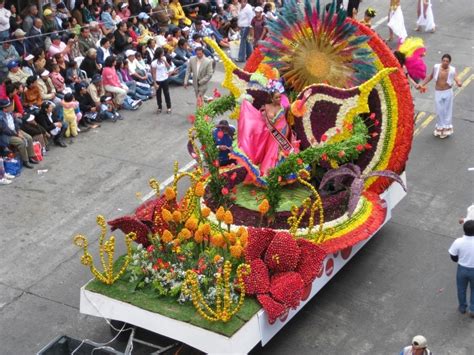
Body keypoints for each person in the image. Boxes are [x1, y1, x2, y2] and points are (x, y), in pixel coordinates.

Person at [236, 88, 300, 182]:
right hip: (272, 135)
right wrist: (246, 105)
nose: (279, 99)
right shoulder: (265, 107)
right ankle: (271, 175)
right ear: (272, 98)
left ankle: (285, 175)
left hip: (284, 133)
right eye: (276, 97)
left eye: (280, 97)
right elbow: (258, 119)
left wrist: (304, 99)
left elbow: (296, 108)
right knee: (272, 153)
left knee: (283, 152)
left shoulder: (284, 106)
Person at [417, 54, 462, 138]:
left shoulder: (452, 70)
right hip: (438, 92)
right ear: (441, 61)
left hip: (448, 92)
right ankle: (439, 128)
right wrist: (422, 84)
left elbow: (456, 78)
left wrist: (459, 82)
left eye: (447, 61)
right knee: (439, 111)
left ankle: (446, 130)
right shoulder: (436, 67)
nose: (445, 62)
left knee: (447, 111)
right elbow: (430, 76)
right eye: (444, 61)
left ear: (449, 62)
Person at [0, 98, 39, 168]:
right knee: (21, 142)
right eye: (9, 106)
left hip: (15, 131)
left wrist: (18, 131)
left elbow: (16, 123)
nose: (11, 107)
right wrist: (17, 134)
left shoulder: (11, 113)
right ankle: (25, 161)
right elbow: (5, 130)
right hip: (7, 135)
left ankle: (31, 156)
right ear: (4, 109)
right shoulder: (1, 117)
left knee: (29, 138)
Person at [448, 220, 474, 317]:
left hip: (462, 269)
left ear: (464, 230)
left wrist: (459, 260)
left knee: (461, 289)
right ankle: (473, 309)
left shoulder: (458, 242)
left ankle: (462, 307)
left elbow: (453, 256)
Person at [151, 47, 172, 114]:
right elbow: (153, 73)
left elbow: (168, 67)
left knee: (166, 93)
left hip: (165, 78)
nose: (163, 54)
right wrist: (154, 83)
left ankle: (169, 107)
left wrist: (165, 61)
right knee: (158, 94)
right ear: (159, 54)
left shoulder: (164, 58)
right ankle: (159, 107)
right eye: (162, 53)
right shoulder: (154, 63)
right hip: (158, 80)